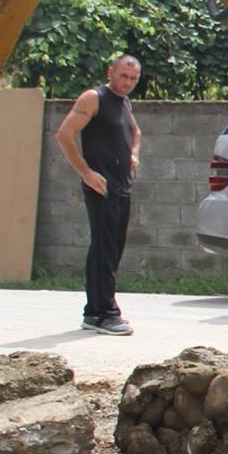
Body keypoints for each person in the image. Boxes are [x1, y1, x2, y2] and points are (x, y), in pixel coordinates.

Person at [54, 53, 142, 336]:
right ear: (110, 72)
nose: (127, 82)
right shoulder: (93, 98)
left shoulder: (124, 103)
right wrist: (86, 173)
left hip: (122, 185)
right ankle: (105, 313)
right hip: (101, 187)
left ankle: (95, 312)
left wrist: (133, 155)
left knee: (112, 248)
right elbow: (64, 134)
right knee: (103, 249)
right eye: (123, 76)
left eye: (133, 78)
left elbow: (136, 133)